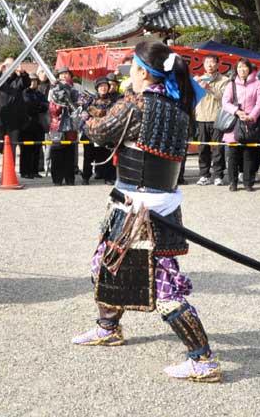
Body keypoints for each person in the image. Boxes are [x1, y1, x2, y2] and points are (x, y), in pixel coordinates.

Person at [71, 41, 221, 382]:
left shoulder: (137, 104)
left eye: (132, 69)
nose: (129, 76)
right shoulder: (177, 105)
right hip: (148, 204)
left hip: (142, 212)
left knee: (166, 288)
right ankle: (108, 327)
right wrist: (91, 104)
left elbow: (99, 132)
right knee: (104, 265)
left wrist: (77, 110)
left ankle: (203, 360)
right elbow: (117, 125)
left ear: (142, 72)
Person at [221, 58, 260, 191]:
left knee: (249, 154)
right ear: (236, 69)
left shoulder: (258, 84)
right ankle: (233, 183)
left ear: (250, 68)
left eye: (244, 67)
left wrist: (252, 116)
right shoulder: (231, 84)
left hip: (251, 123)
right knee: (233, 155)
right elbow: (225, 102)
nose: (242, 70)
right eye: (239, 67)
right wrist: (237, 112)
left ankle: (248, 183)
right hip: (234, 122)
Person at [0, 58, 30, 181]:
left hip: (14, 120)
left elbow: (27, 83)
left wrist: (22, 72)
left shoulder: (19, 80)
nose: (10, 68)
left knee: (12, 147)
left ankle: (10, 171)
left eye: (13, 65)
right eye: (7, 65)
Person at [193, 54, 229, 186]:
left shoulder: (224, 80)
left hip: (217, 117)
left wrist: (208, 87)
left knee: (218, 149)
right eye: (207, 62)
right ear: (203, 65)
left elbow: (223, 97)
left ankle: (218, 175)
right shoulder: (198, 79)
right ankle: (204, 175)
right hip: (201, 117)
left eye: (212, 62)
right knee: (203, 148)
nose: (209, 65)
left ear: (218, 64)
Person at [81, 76, 115, 185]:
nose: (103, 88)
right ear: (97, 88)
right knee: (88, 155)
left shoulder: (113, 101)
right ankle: (85, 177)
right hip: (91, 132)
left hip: (106, 132)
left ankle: (107, 177)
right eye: (101, 86)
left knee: (106, 155)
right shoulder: (90, 100)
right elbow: (84, 113)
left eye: (105, 86)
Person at [48, 67, 79, 186]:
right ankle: (57, 179)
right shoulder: (53, 89)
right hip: (57, 124)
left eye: (66, 74)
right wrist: (60, 103)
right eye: (61, 74)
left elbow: (80, 105)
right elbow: (52, 110)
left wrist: (71, 102)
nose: (64, 76)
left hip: (71, 124)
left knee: (70, 152)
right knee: (56, 152)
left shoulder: (76, 88)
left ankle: (70, 178)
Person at [20, 73, 48, 178]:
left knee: (37, 148)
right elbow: (28, 106)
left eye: (35, 80)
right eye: (31, 80)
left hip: (38, 123)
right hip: (26, 125)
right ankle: (25, 171)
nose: (33, 82)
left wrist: (37, 106)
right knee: (26, 149)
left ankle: (35, 170)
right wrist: (38, 106)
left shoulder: (39, 93)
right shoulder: (24, 93)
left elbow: (46, 105)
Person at [37, 67, 52, 175]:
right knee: (38, 143)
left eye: (46, 72)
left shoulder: (52, 85)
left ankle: (49, 166)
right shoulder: (33, 84)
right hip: (36, 117)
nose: (44, 74)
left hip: (48, 116)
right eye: (42, 71)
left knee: (49, 143)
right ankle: (39, 165)